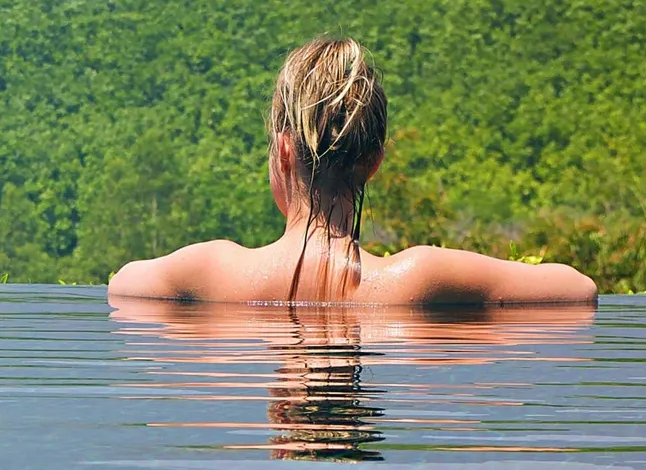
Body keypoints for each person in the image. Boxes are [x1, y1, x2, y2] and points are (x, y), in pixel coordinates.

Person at [107, 37, 598, 307]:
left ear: (282, 152)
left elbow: (122, 284)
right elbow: (579, 290)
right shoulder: (420, 277)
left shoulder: (211, 270)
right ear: (374, 162)